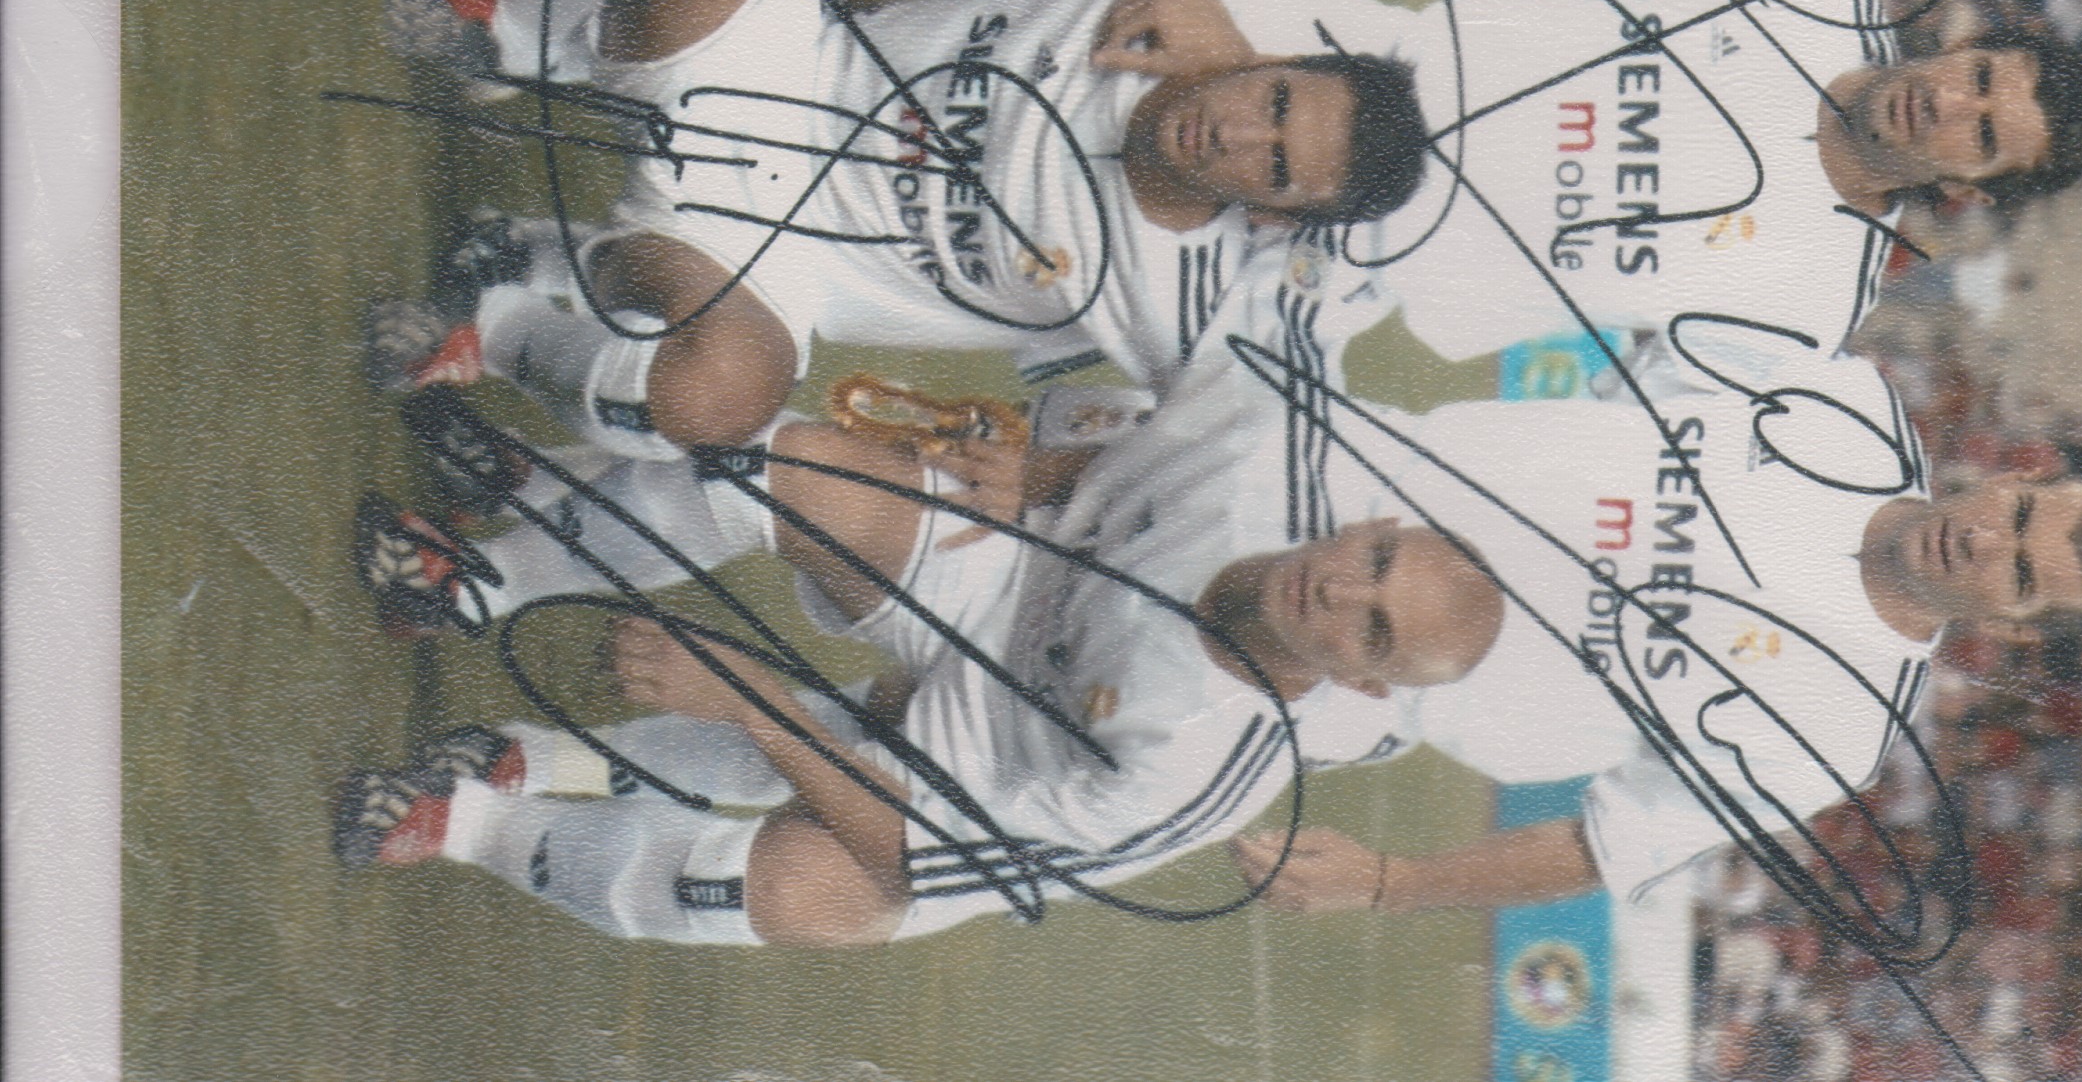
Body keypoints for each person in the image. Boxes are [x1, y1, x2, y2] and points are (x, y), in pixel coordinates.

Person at [334, 319, 1506, 950]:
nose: (1341, 596)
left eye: (1374, 632)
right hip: (1012, 582)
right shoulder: (1261, 440)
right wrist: (1031, 469)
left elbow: (909, 849)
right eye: (1376, 565)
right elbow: (1140, 432)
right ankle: (488, 572)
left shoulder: (1192, 766)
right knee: (780, 470)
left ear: (1361, 688)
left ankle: (476, 814)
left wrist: (751, 698)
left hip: (983, 769)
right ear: (1374, 521)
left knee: (794, 884)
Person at [364, 0, 1428, 459]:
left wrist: (1046, 466)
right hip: (789, 56)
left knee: (717, 398)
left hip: (773, 252)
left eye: (1278, 170)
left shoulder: (1183, 301)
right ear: (1278, 53)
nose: (1241, 137)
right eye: (1275, 99)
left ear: (1276, 217)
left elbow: (1272, 444)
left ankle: (493, 322)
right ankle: (516, 32)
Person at [1229, 349, 2082, 922]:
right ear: (2012, 474)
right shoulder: (1847, 409)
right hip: (1324, 459)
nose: (1984, 542)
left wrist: (1389, 882)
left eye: (2017, 576)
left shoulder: (1837, 729)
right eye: (2019, 515)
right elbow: (1639, 354)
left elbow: (1608, 846)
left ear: (2015, 637)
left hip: (1334, 678)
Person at [1086, 0, 2082, 365]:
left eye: (1981, 135)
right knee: (1034, 62)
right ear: (1971, 44)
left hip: (1313, 279)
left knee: (1015, 273)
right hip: (1301, 62)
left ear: (1974, 191)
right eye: (1979, 79)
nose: (1949, 104)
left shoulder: (1812, 303)